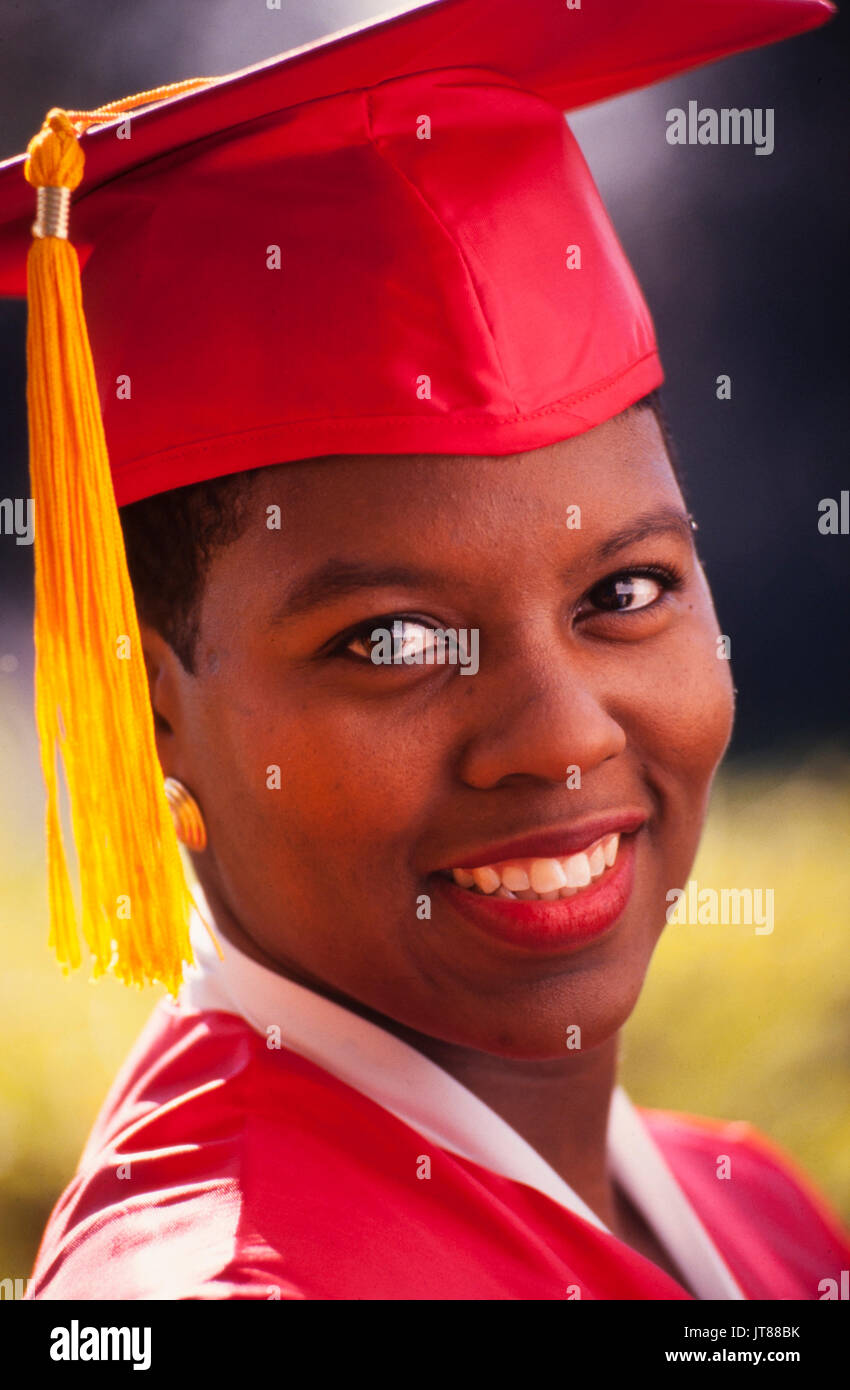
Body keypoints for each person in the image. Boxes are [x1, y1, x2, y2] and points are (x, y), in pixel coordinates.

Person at [2, 0, 846, 1300]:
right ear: (148, 709)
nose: (562, 733)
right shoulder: (222, 1285)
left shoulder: (763, 1223)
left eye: (622, 588)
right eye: (390, 638)